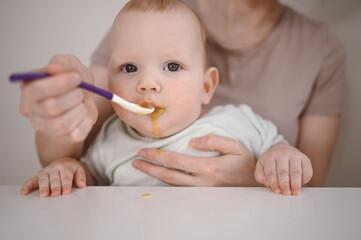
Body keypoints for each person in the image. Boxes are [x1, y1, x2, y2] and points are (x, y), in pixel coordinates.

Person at [19, 0, 345, 191]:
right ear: (109, 87)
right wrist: (67, 167)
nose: (147, 83)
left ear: (207, 87)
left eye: (172, 66)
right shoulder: (108, 141)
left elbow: (287, 161)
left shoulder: (237, 121)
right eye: (129, 68)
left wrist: (279, 160)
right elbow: (87, 179)